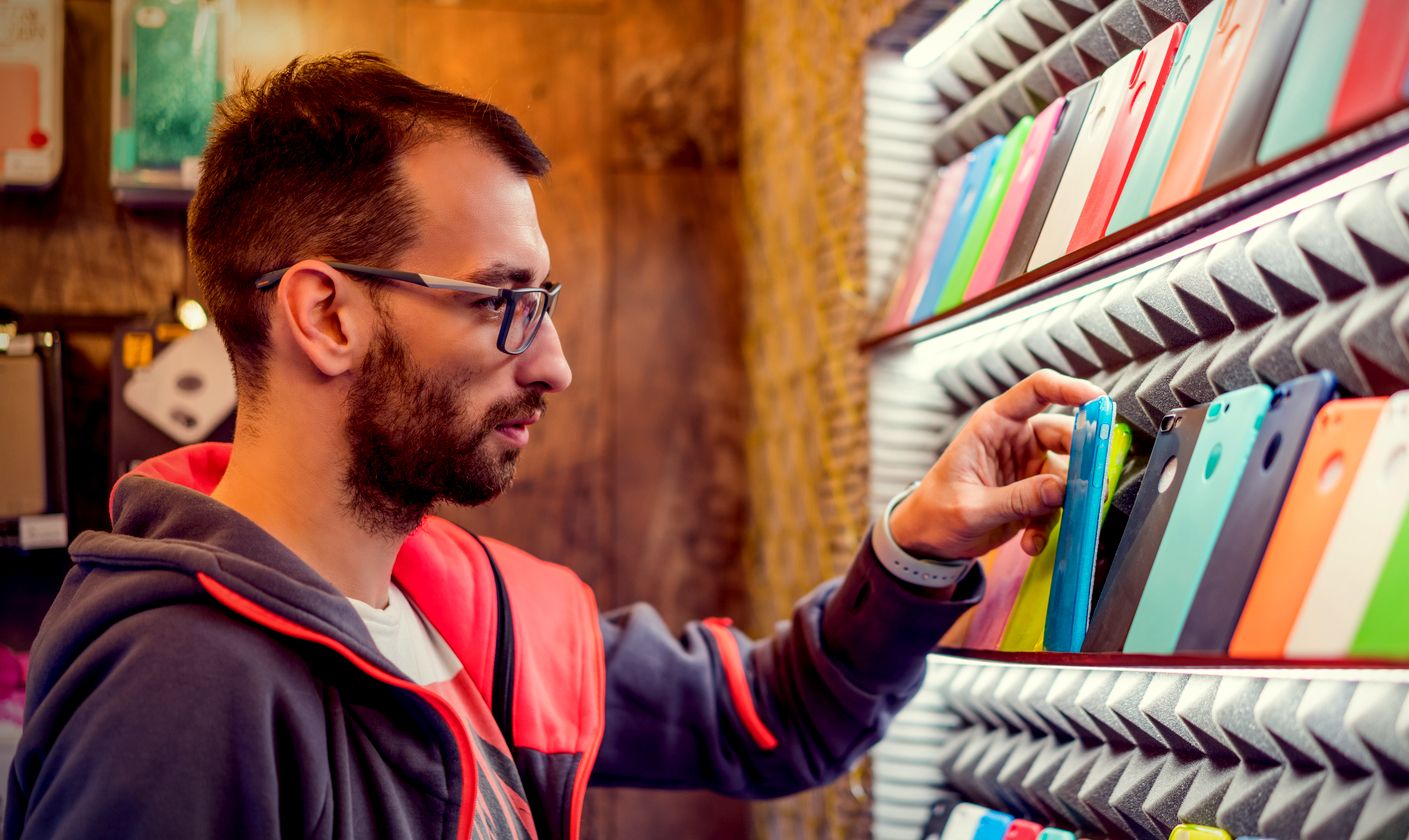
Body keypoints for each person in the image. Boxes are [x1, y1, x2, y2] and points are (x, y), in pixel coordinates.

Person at [3, 54, 1102, 840]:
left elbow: (772, 720)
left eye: (546, 301)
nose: (555, 365)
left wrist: (921, 543)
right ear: (327, 317)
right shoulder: (180, 690)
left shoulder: (466, 606)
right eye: (502, 303)